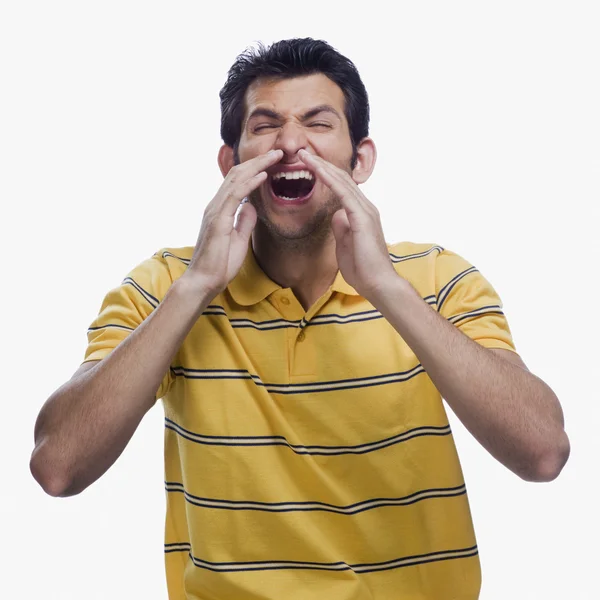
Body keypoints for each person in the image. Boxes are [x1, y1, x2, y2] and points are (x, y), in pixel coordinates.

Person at [30, 38, 570, 599]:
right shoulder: (167, 286)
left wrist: (386, 287)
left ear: (360, 161)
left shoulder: (438, 279)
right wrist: (196, 287)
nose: (290, 144)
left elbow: (542, 452)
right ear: (229, 164)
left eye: (317, 123)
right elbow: (58, 466)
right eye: (264, 126)